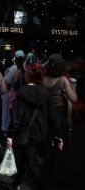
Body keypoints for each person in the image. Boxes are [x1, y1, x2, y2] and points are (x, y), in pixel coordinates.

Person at [6, 62, 63, 190]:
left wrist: (10, 135)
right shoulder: (46, 93)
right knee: (26, 159)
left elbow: (16, 117)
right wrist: (58, 135)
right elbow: (53, 116)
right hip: (41, 132)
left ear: (29, 75)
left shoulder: (22, 92)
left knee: (31, 163)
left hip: (25, 133)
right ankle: (16, 183)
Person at [42, 53, 77, 183]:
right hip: (59, 115)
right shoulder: (63, 80)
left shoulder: (44, 79)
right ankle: (59, 176)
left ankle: (47, 174)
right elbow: (73, 99)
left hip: (46, 115)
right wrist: (73, 87)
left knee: (48, 145)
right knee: (60, 145)